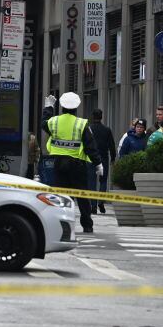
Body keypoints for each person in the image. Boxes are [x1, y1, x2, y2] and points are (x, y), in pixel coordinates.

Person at [42, 92, 101, 233]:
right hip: (77, 165)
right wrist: (98, 163)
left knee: (60, 195)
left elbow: (44, 123)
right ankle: (87, 225)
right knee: (82, 196)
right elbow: (90, 146)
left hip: (59, 164)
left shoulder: (54, 121)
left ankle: (60, 224)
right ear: (77, 107)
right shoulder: (81, 124)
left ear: (61, 106)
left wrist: (48, 108)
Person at [88, 109, 116, 213]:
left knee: (92, 182)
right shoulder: (107, 130)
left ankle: (93, 205)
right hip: (103, 157)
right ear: (101, 117)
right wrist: (113, 158)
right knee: (103, 181)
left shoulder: (89, 129)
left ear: (92, 116)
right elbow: (112, 145)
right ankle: (101, 201)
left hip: (91, 158)